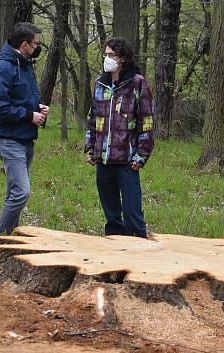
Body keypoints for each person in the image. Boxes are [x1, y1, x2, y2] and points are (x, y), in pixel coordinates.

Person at [84, 37, 154, 237]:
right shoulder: (100, 84)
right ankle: (114, 251)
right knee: (112, 215)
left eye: (111, 55)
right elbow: (93, 118)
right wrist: (91, 148)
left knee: (132, 213)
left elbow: (146, 121)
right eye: (105, 55)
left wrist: (142, 154)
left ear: (122, 58)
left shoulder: (137, 83)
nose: (107, 59)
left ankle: (140, 252)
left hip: (127, 159)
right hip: (103, 159)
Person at [0, 22, 49, 236]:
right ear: (24, 44)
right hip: (8, 138)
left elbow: (20, 99)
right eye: (36, 43)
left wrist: (38, 108)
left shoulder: (24, 64)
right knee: (21, 193)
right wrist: (29, 115)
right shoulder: (4, 67)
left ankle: (10, 241)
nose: (38, 47)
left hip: (24, 138)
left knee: (13, 194)